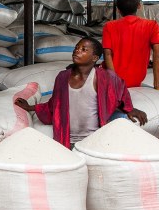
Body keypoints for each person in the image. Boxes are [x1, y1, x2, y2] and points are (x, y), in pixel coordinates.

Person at [15, 37, 147, 149]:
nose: (77, 50)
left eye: (84, 49)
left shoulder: (103, 77)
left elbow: (120, 89)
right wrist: (31, 107)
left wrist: (129, 109)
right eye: (77, 48)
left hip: (94, 141)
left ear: (95, 58)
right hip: (66, 140)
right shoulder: (62, 77)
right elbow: (54, 104)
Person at [102, 0, 159, 91]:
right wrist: (157, 85)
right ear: (139, 6)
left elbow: (107, 54)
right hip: (137, 80)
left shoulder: (109, 26)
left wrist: (115, 82)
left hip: (115, 80)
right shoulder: (152, 25)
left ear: (118, 10)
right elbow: (157, 52)